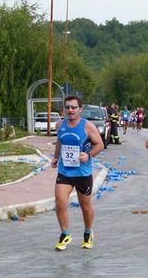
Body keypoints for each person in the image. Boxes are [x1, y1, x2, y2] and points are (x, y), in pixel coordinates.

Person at [51, 95, 104, 250]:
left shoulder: (87, 126)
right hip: (65, 171)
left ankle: (88, 232)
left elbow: (99, 144)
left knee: (85, 206)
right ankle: (65, 233)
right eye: (67, 107)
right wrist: (55, 157)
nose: (70, 110)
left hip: (82, 172)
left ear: (80, 109)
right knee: (60, 202)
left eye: (74, 107)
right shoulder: (60, 124)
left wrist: (88, 155)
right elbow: (60, 140)